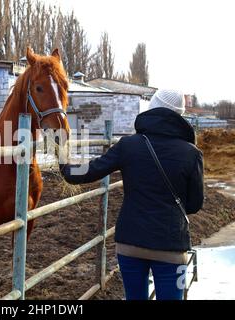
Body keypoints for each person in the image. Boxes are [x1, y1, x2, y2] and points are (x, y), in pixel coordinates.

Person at [59, 89, 204, 300]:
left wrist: (61, 159)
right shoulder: (192, 153)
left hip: (130, 244)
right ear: (179, 115)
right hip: (172, 247)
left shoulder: (128, 145)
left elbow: (87, 172)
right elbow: (194, 204)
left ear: (151, 108)